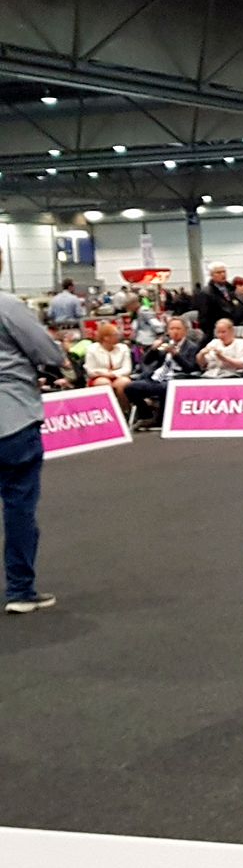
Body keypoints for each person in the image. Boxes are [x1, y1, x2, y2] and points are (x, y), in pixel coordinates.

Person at [0, 256, 64, 614]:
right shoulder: (7, 305)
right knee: (19, 506)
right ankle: (20, 590)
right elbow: (47, 351)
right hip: (11, 417)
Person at [126, 315, 201, 423]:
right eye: (172, 329)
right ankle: (146, 414)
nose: (175, 331)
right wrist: (153, 349)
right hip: (158, 377)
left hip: (177, 378)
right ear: (168, 331)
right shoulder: (164, 344)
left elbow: (191, 368)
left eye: (178, 329)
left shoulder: (192, 347)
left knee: (165, 388)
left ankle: (160, 420)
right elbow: (146, 361)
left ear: (185, 331)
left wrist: (176, 355)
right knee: (131, 388)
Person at [83, 321, 132, 401]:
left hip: (118, 375)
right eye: (115, 335)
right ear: (106, 337)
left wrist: (113, 374)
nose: (118, 336)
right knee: (104, 383)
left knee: (124, 382)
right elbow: (91, 371)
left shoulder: (123, 348)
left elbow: (127, 369)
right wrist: (106, 374)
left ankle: (124, 407)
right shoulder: (91, 349)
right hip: (98, 378)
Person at [196, 263, 236, 340]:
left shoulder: (231, 289)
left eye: (224, 272)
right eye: (218, 272)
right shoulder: (206, 293)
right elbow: (204, 318)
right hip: (216, 332)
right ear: (211, 275)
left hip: (233, 326)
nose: (222, 274)